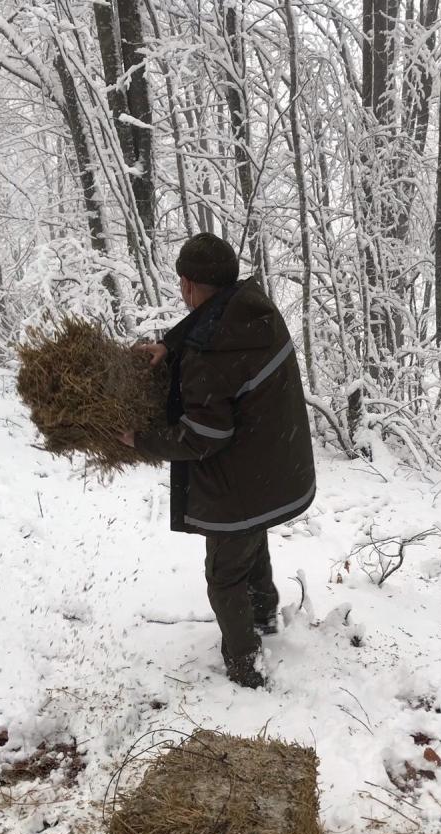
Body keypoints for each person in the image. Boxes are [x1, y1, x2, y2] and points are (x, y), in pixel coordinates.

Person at [121, 233, 316, 689]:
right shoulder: (253, 310)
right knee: (250, 541)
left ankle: (246, 664)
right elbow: (212, 323)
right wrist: (170, 343)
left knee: (224, 573)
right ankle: (265, 616)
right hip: (273, 470)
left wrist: (141, 441)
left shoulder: (210, 355)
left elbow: (204, 436)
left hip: (239, 484)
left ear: (188, 284)